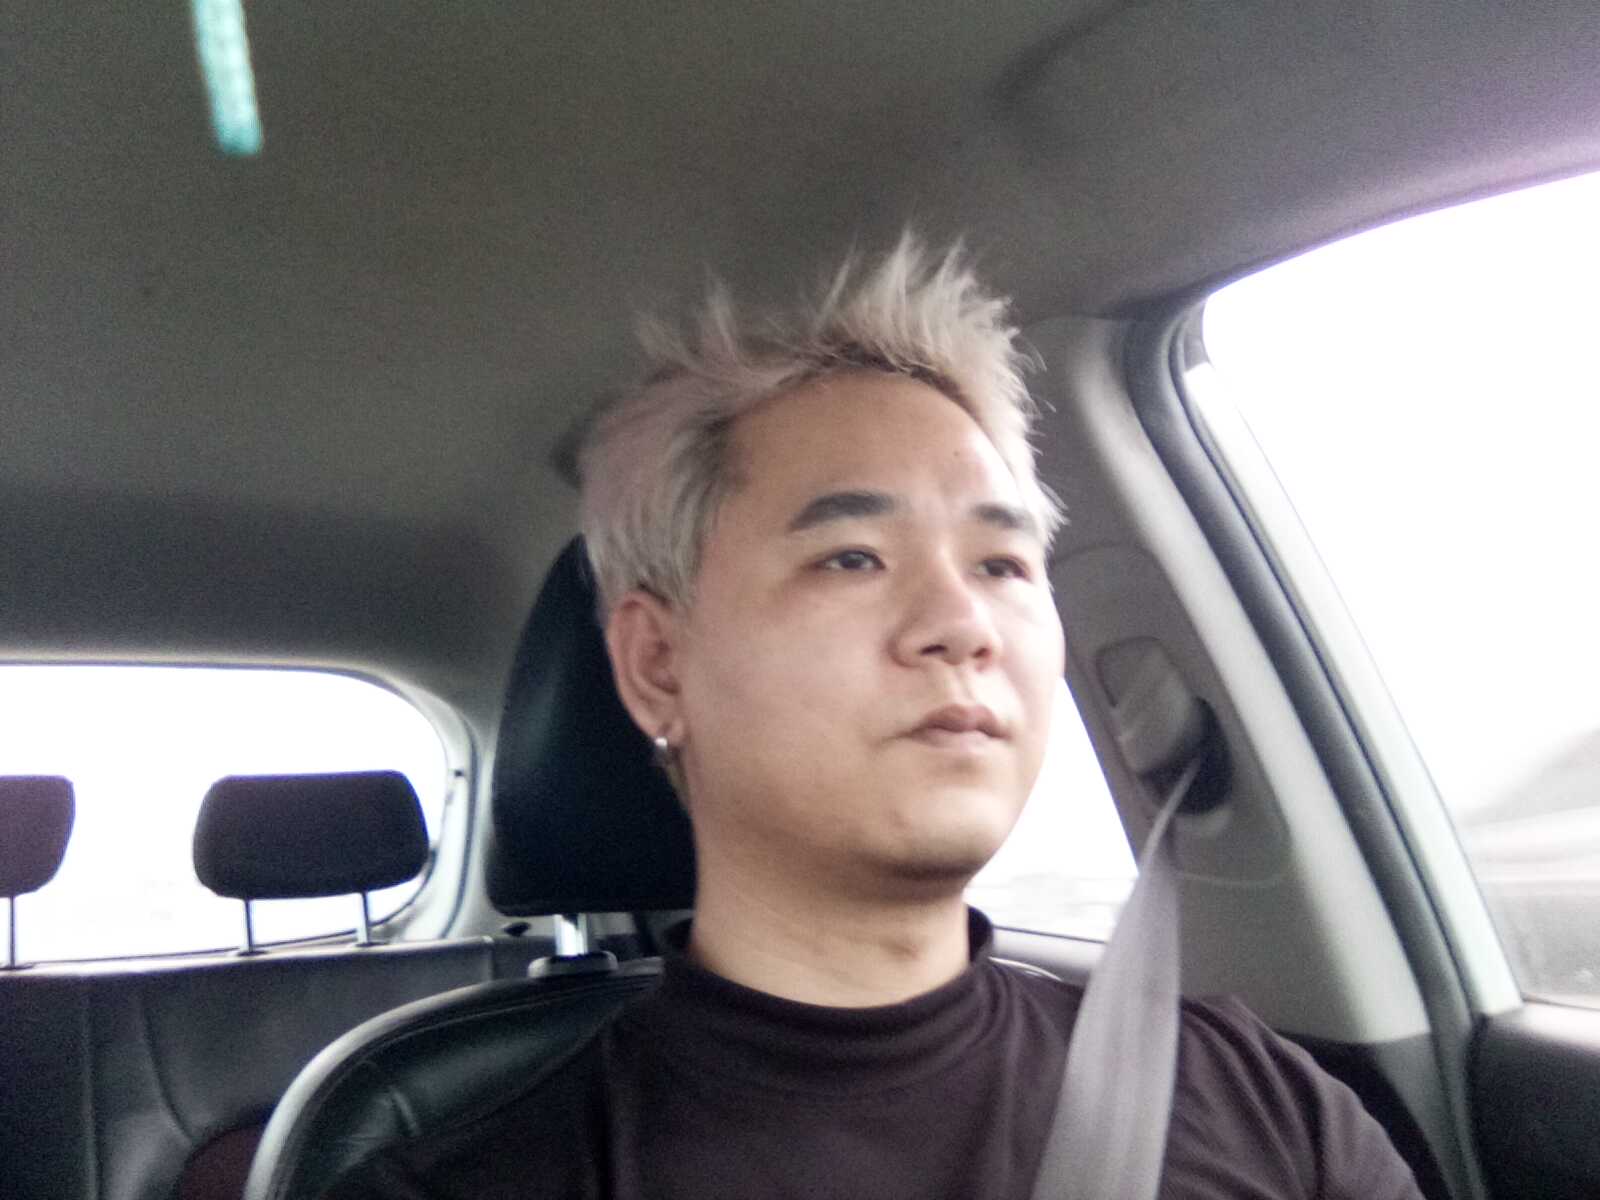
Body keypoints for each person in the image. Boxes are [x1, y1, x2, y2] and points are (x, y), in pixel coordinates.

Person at [325, 236, 1423, 1198]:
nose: (962, 624)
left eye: (1002, 563)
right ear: (658, 664)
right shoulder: (466, 1181)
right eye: (852, 557)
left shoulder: (1264, 1104)